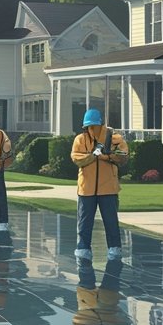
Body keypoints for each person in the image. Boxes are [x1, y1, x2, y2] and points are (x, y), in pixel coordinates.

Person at [70, 108, 129, 261]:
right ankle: (83, 248)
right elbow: (77, 159)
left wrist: (104, 156)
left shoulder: (115, 138)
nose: (92, 129)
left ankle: (115, 248)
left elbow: (123, 157)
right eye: (90, 127)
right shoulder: (80, 140)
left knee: (111, 221)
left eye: (94, 126)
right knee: (84, 222)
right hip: (86, 188)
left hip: (108, 187)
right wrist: (92, 156)